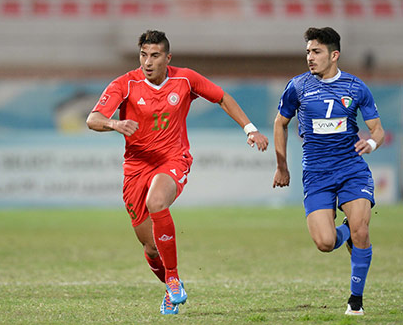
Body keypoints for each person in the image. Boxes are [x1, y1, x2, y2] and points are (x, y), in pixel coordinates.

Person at [86, 30, 269, 315]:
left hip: (174, 159)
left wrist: (251, 129)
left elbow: (222, 97)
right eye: (143, 55)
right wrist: (114, 125)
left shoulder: (185, 79)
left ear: (167, 57)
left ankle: (172, 278)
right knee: (150, 246)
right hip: (136, 167)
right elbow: (92, 119)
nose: (148, 62)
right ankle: (172, 288)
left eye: (155, 55)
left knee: (157, 202)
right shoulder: (125, 84)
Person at [272, 27, 384, 316]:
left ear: (334, 55)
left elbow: (377, 130)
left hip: (351, 169)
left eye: (316, 51)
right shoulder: (298, 87)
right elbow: (280, 123)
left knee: (362, 230)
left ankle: (355, 302)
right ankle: (348, 230)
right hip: (316, 174)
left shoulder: (356, 87)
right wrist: (282, 166)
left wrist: (370, 143)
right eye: (308, 51)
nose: (310, 57)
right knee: (325, 242)